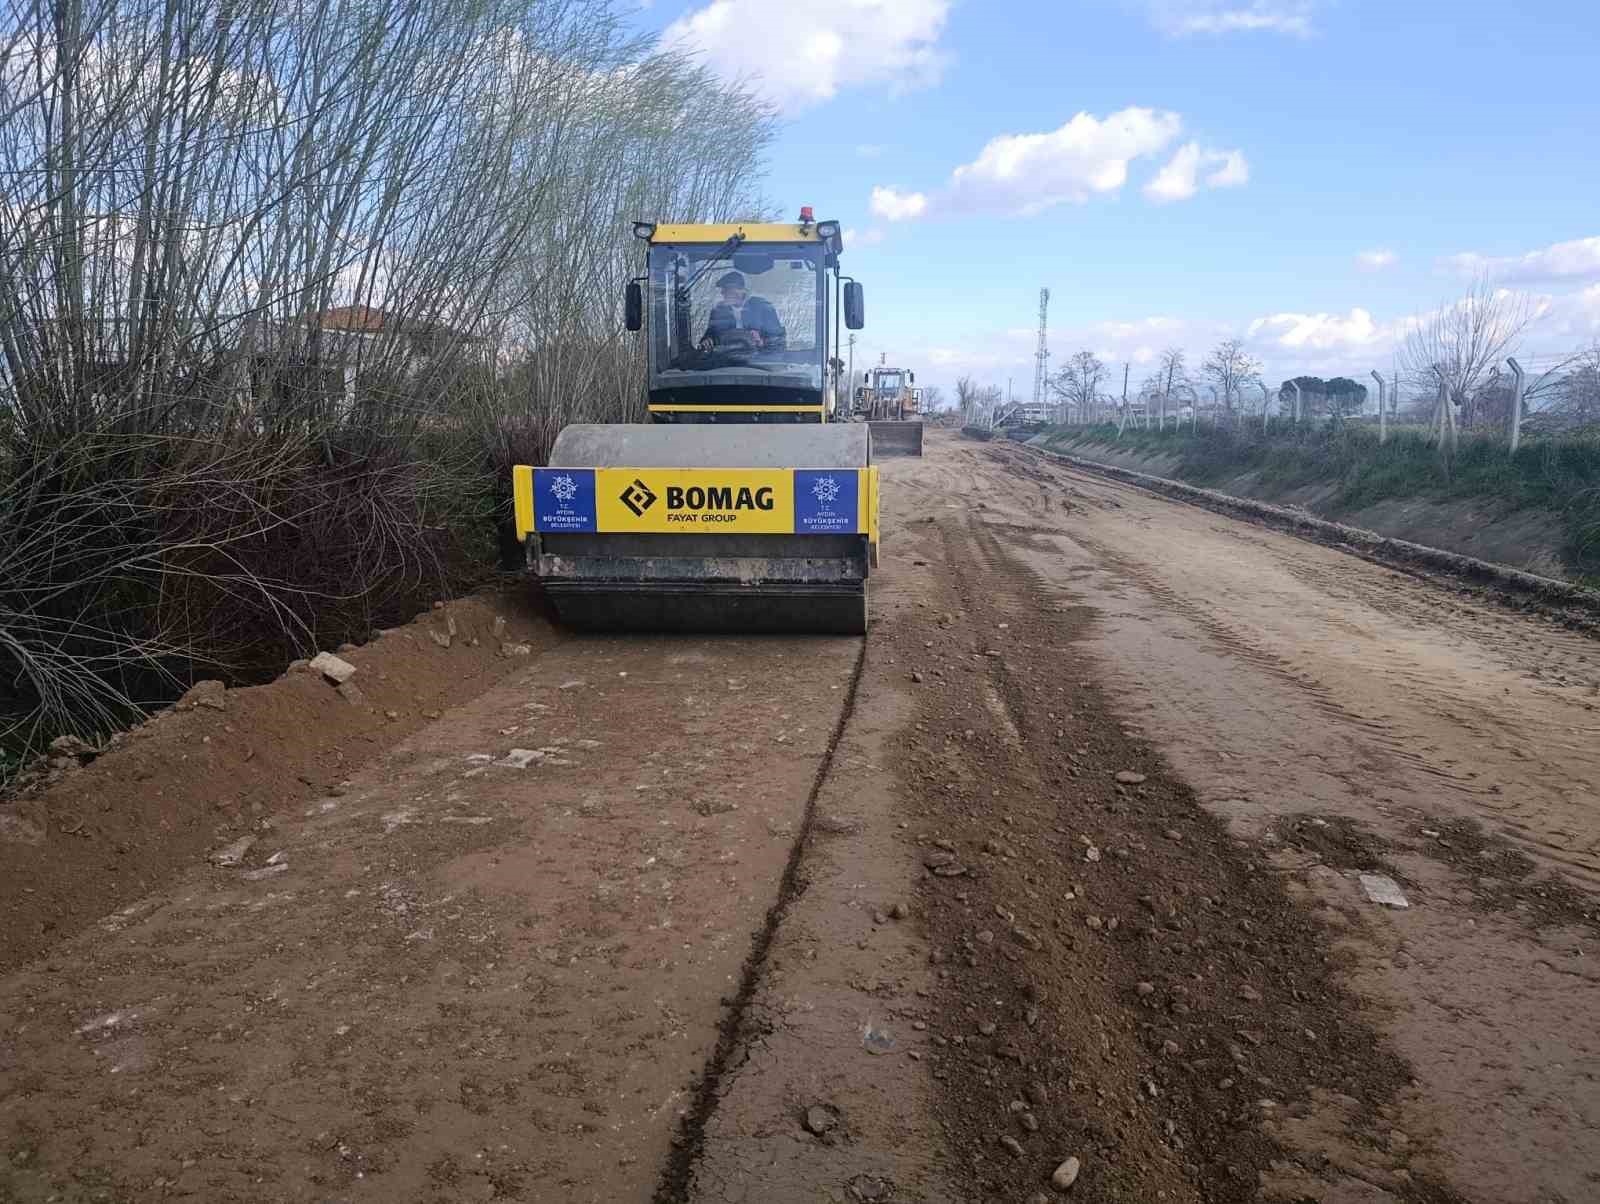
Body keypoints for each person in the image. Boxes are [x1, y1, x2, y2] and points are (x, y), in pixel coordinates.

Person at [699, 271, 784, 352]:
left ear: (741, 291)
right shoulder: (718, 312)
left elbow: (778, 341)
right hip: (724, 361)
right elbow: (709, 336)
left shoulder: (764, 309)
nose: (722, 293)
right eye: (723, 289)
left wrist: (761, 341)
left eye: (727, 289)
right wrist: (707, 341)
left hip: (758, 362)